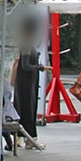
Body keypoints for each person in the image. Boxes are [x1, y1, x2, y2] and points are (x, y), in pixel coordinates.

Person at [11, 16, 49, 145]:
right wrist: (41, 67)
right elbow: (25, 65)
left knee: (25, 107)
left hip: (27, 81)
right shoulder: (27, 43)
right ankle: (29, 137)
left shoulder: (26, 42)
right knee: (27, 108)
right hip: (26, 81)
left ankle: (22, 137)